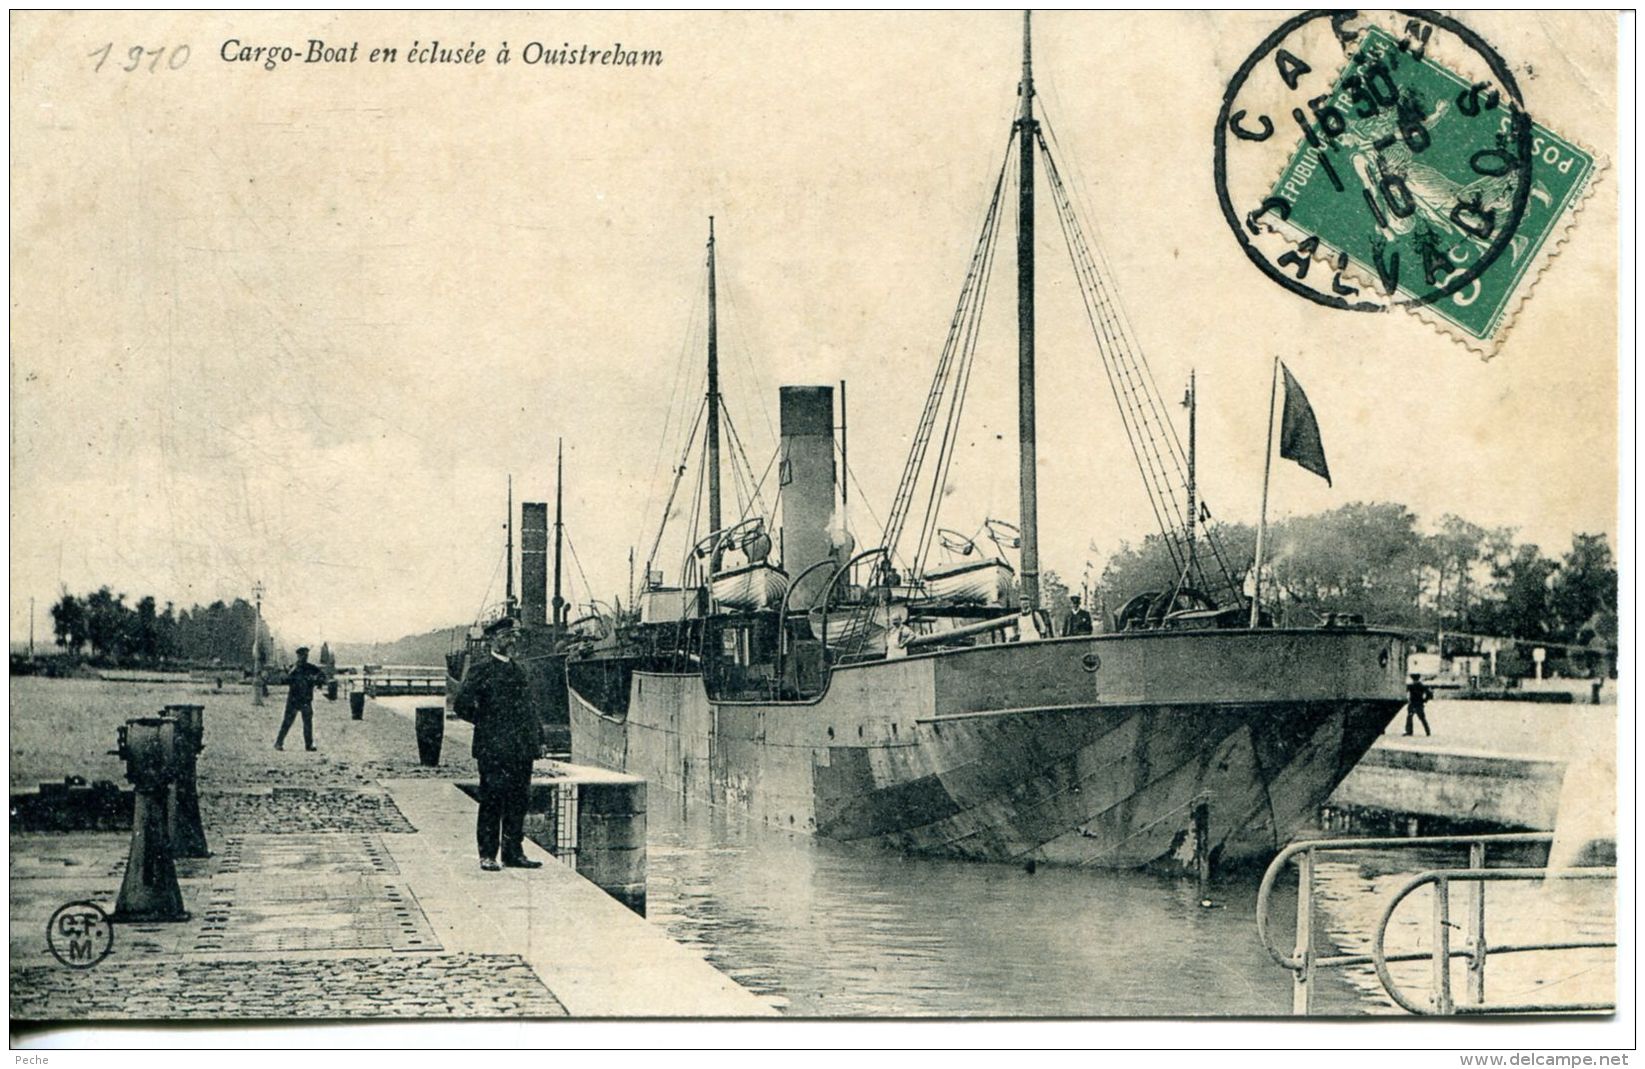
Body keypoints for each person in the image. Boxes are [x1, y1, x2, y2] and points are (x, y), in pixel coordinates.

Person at [455, 620, 543, 872]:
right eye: (506, 635)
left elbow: (531, 709)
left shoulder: (520, 670)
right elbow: (462, 705)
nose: (511, 640)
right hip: (493, 748)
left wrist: (539, 739)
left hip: (521, 749)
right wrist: (486, 724)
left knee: (518, 800)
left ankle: (514, 853)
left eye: (513, 635)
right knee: (492, 800)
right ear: (492, 639)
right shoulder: (481, 670)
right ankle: (487, 855)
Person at [276, 646, 328, 751]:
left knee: (308, 723)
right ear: (298, 656)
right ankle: (279, 743)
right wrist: (289, 673)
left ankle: (308, 745)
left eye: (306, 656)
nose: (304, 658)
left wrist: (316, 679)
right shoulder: (293, 668)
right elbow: (284, 681)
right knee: (287, 722)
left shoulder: (311, 668)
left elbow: (323, 677)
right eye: (302, 655)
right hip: (293, 700)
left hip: (306, 700)